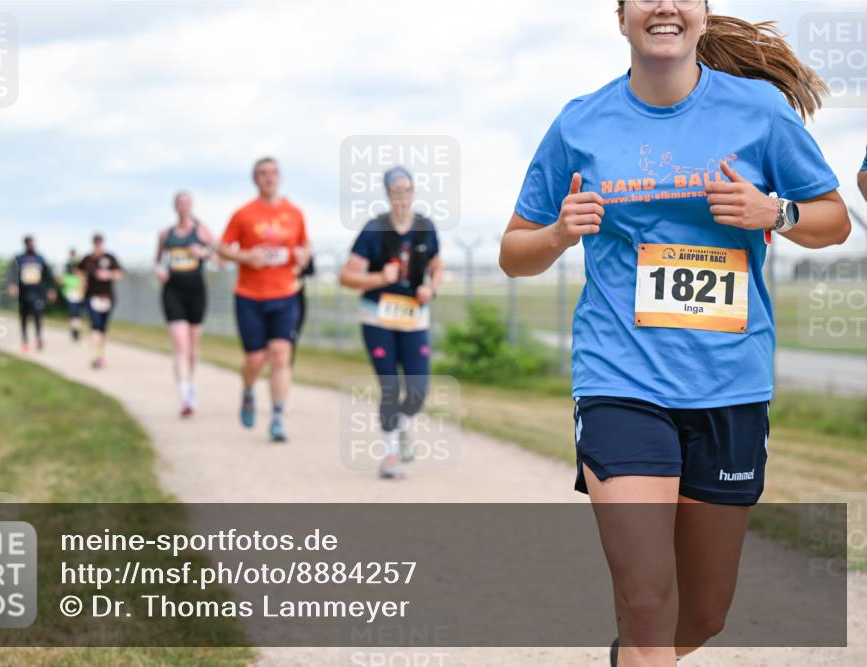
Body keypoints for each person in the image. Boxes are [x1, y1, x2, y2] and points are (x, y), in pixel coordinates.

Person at [498, 2, 851, 665]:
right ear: (623, 17)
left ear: (703, 13)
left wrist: (775, 209)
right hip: (619, 379)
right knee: (647, 596)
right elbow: (514, 251)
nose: (664, 5)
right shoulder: (581, 122)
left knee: (703, 612)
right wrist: (558, 231)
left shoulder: (760, 113)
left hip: (729, 383)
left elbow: (834, 220)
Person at [340, 166, 442, 479]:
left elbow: (438, 269)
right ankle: (390, 455)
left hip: (413, 318)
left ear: (414, 192)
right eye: (397, 191)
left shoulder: (425, 226)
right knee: (389, 387)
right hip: (377, 318)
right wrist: (377, 277)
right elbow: (346, 276)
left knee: (417, 390)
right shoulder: (374, 229)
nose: (403, 197)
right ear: (387, 194)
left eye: (407, 190)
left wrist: (430, 288)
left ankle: (400, 427)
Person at [218, 157, 312, 442]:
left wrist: (302, 256)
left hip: (285, 294)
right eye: (263, 173)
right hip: (250, 296)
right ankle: (247, 390)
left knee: (281, 355)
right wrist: (245, 256)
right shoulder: (243, 214)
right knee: (256, 359)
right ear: (255, 179)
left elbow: (304, 246)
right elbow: (222, 248)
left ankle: (278, 417)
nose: (269, 178)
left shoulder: (294, 213)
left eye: (273, 173)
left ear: (279, 177)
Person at [155, 192, 217, 417]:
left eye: (187, 203)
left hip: (196, 291)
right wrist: (159, 269)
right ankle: (184, 396)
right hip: (173, 291)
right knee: (180, 344)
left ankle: (190, 383)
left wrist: (204, 252)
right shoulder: (166, 234)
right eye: (180, 203)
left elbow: (219, 255)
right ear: (174, 207)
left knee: (192, 346)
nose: (183, 207)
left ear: (192, 206)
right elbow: (158, 261)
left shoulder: (201, 230)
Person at [77, 234, 124, 369]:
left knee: (103, 328)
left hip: (107, 297)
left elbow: (120, 274)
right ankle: (96, 355)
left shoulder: (110, 258)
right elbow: (79, 273)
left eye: (99, 242)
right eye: (95, 243)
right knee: (95, 325)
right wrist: (82, 285)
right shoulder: (87, 260)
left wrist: (108, 275)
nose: (98, 245)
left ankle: (101, 353)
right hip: (92, 296)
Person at [8, 236, 55, 352]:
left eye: (33, 243)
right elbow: (12, 273)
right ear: (25, 245)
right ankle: (25, 341)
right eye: (29, 243)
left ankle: (38, 337)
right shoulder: (19, 259)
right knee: (24, 317)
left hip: (38, 292)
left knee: (37, 315)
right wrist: (12, 285)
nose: (32, 245)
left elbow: (47, 275)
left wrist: (51, 289)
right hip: (24, 293)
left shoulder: (40, 258)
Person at [60, 249, 85, 341]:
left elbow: (83, 276)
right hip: (70, 292)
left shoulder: (79, 263)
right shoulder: (67, 264)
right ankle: (74, 329)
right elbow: (63, 278)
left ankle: (76, 329)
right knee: (73, 313)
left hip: (77, 291)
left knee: (77, 313)